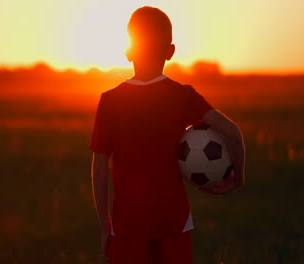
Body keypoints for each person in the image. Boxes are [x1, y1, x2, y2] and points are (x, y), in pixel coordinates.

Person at [89, 6, 246, 264]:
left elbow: (99, 169)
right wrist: (237, 179)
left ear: (128, 51)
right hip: (174, 224)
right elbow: (232, 132)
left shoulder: (109, 101)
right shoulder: (183, 96)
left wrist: (106, 225)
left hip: (128, 228)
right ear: (170, 51)